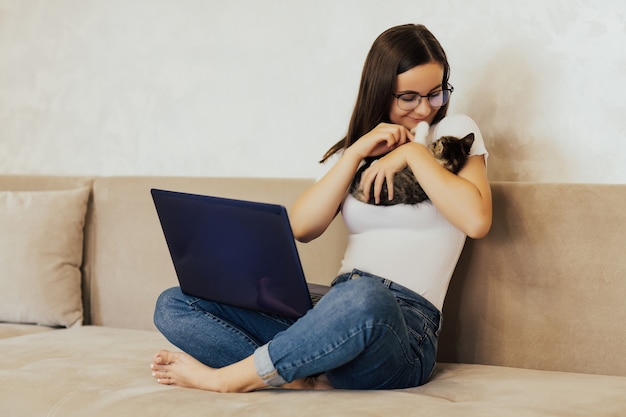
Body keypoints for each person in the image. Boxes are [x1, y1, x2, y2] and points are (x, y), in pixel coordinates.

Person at [150, 23, 492, 392]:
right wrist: (358, 152)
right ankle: (299, 374)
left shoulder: (455, 133)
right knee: (175, 302)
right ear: (380, 91)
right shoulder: (358, 151)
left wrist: (411, 152)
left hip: (400, 329)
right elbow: (301, 227)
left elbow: (476, 220)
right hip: (332, 315)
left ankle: (232, 378)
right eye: (408, 97)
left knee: (366, 296)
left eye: (435, 93)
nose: (425, 109)